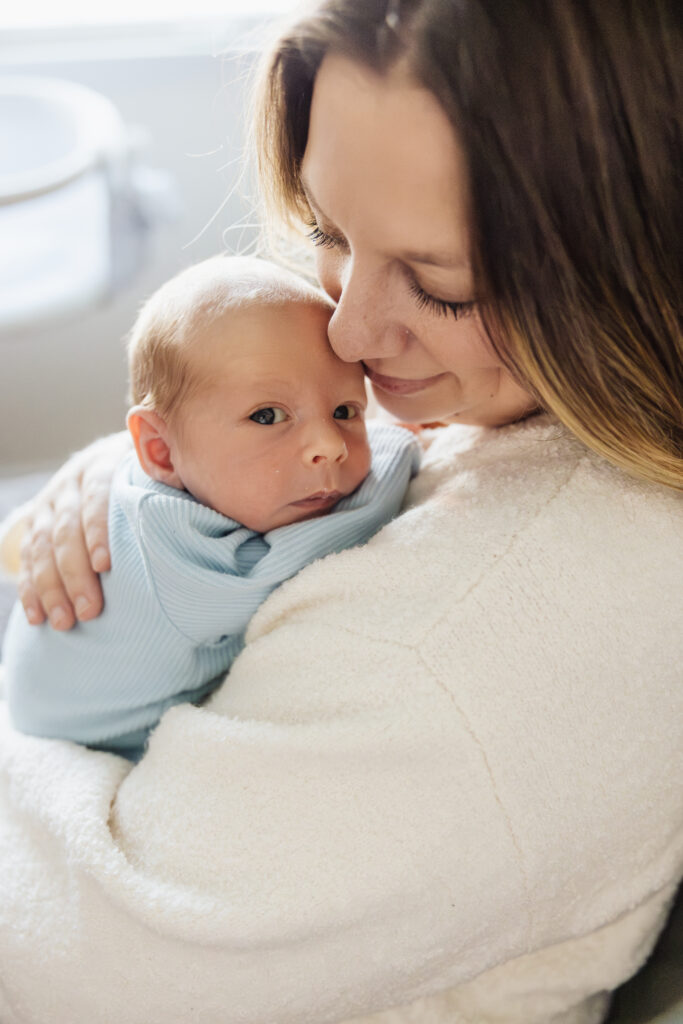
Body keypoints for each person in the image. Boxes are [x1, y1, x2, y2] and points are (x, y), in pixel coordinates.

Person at [0, 2, 680, 1024]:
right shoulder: (500, 400)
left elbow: (77, 957)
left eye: (441, 286)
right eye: (327, 231)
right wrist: (138, 476)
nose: (351, 333)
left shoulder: (475, 637)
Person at [2, 255, 418, 760]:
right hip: (91, 734)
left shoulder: (174, 470)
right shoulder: (183, 557)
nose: (330, 445)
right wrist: (404, 446)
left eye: (345, 411)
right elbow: (338, 536)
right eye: (268, 416)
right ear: (159, 451)